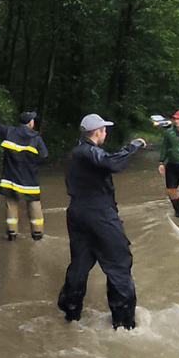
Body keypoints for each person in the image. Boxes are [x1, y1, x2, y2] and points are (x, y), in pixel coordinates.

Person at [57, 114, 146, 330]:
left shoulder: (75, 152)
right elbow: (112, 162)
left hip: (77, 212)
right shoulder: (90, 152)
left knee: (80, 263)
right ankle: (124, 323)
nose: (106, 134)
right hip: (99, 214)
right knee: (119, 264)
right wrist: (132, 147)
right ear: (96, 132)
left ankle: (71, 312)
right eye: (104, 130)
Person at [0, 110, 48, 240]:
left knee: (11, 206)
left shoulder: (9, 132)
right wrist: (32, 163)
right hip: (30, 181)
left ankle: (12, 234)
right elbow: (44, 156)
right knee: (34, 206)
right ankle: (37, 235)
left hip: (11, 180)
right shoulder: (36, 138)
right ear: (31, 123)